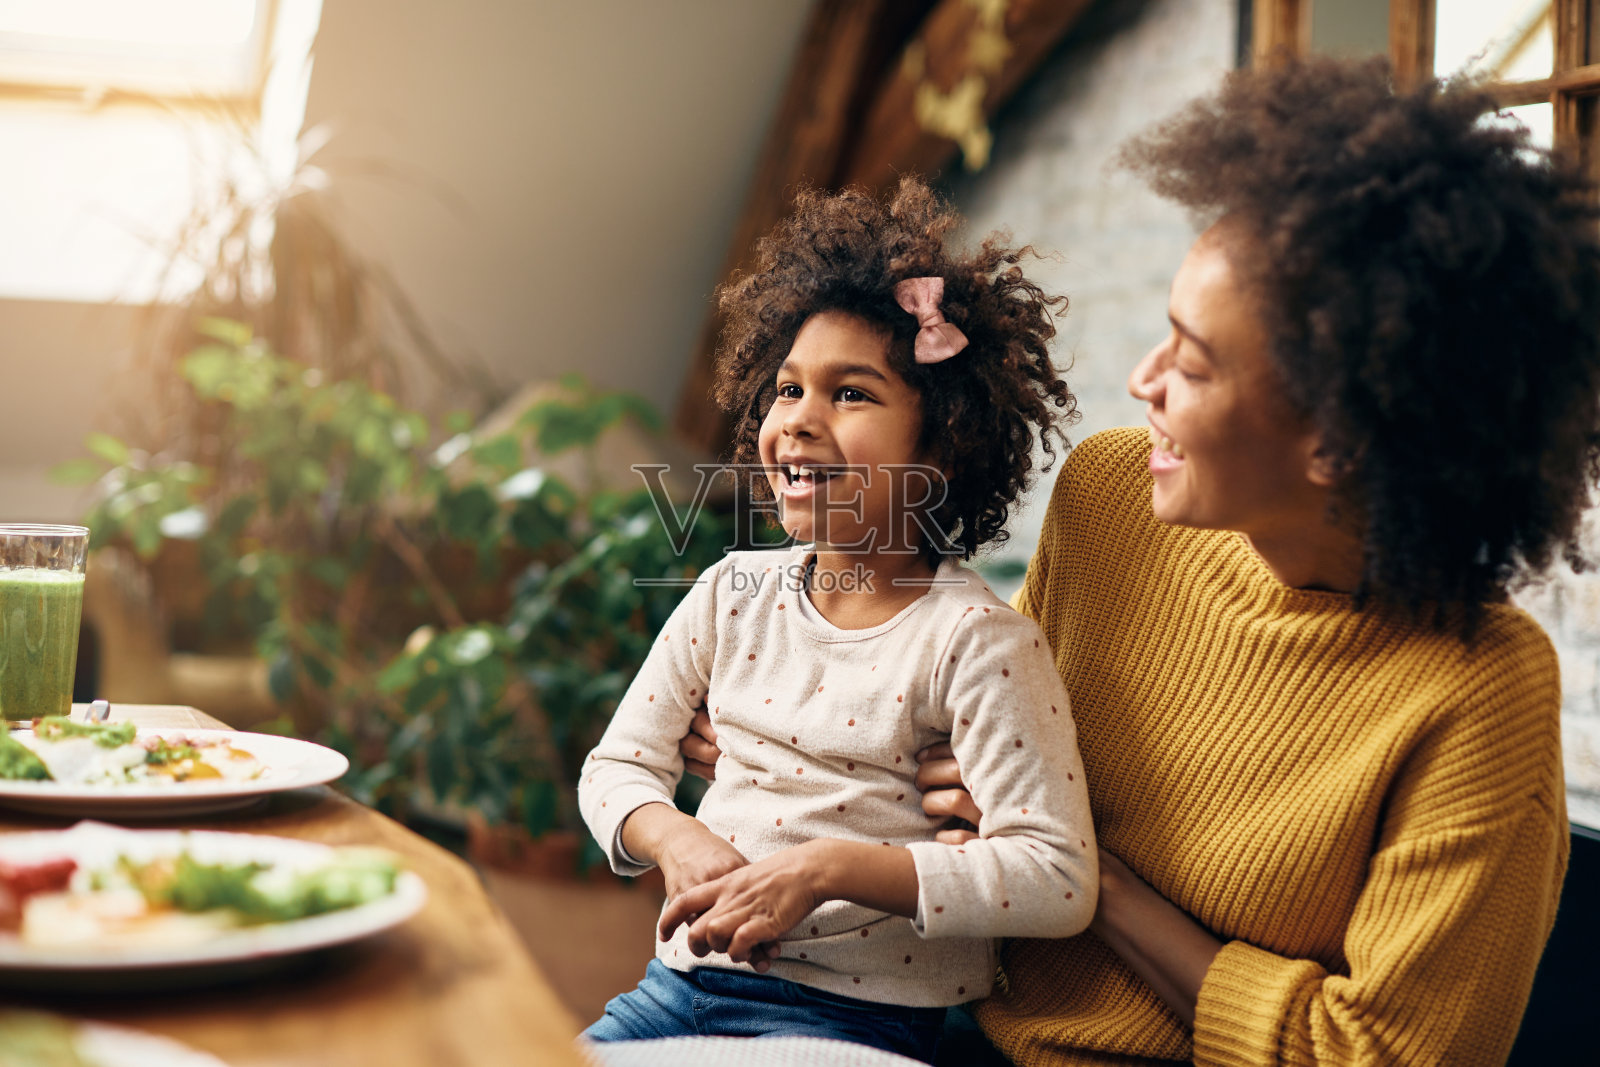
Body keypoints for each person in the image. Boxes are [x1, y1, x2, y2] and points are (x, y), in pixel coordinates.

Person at [680, 57, 1600, 1065]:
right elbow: (950, 728)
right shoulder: (1112, 495)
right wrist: (789, 727)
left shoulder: (1478, 692)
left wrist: (1098, 882)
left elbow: (1370, 1054)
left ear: (1338, 438)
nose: (1141, 378)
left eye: (1190, 359)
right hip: (928, 1020)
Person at [577, 180, 1097, 1062]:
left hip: (862, 1023)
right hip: (675, 991)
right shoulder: (730, 591)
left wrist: (827, 870)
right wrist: (675, 838)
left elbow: (1056, 877)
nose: (799, 423)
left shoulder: (976, 642)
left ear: (942, 445)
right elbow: (616, 765)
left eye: (850, 395)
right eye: (786, 391)